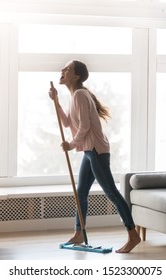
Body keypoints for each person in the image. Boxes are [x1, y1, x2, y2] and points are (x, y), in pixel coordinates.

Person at [48, 59, 141, 253]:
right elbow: (66, 123)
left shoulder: (81, 95)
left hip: (96, 150)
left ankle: (133, 235)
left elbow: (85, 127)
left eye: (68, 69)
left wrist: (71, 144)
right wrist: (56, 101)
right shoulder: (75, 96)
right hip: (89, 151)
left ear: (76, 76)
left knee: (111, 192)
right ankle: (79, 233)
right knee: (81, 192)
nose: (63, 70)